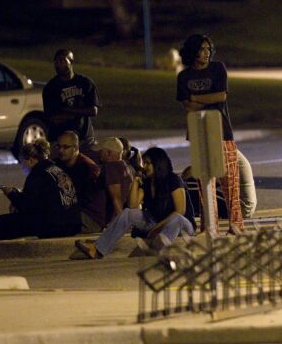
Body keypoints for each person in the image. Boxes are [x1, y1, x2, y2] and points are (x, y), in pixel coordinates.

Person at [74, 147, 196, 259]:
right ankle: (98, 249)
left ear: (158, 163)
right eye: (144, 163)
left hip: (181, 226)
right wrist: (136, 181)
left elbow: (180, 210)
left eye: (148, 163)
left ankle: (155, 246)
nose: (145, 166)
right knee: (128, 213)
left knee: (178, 219)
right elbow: (132, 205)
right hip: (156, 223)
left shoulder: (173, 180)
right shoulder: (148, 182)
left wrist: (158, 227)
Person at [176, 34, 243, 232]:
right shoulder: (184, 76)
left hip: (222, 132)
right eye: (202, 49)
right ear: (192, 52)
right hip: (198, 134)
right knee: (205, 185)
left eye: (208, 49)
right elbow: (187, 106)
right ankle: (209, 227)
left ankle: (235, 224)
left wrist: (197, 98)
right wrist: (206, 100)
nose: (206, 53)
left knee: (230, 182)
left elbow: (221, 96)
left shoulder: (217, 68)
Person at [0, 138, 80, 240]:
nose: (22, 167)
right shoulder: (56, 169)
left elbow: (27, 206)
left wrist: (11, 194)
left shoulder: (37, 174)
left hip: (55, 226)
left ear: (31, 160)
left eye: (22, 163)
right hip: (72, 223)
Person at [42, 49, 100, 152]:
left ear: (71, 62)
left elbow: (93, 110)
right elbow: (53, 118)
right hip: (60, 141)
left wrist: (66, 110)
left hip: (85, 139)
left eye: (62, 61)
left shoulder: (85, 83)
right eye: (56, 62)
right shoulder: (51, 88)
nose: (58, 65)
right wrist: (81, 110)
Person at [54, 131, 104, 233]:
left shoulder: (88, 168)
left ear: (76, 148)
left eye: (65, 147)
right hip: (74, 212)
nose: (60, 150)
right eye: (58, 147)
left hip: (89, 218)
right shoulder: (59, 164)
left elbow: (77, 197)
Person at [93, 137, 133, 221]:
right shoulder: (126, 167)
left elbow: (116, 198)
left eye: (101, 151)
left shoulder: (111, 167)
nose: (99, 154)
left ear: (108, 153)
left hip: (110, 219)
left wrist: (120, 224)